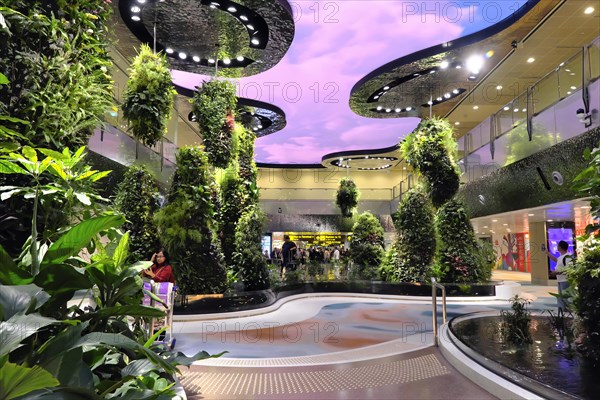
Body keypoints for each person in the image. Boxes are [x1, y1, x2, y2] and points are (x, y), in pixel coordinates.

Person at [546, 240, 573, 311]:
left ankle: (567, 311)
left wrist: (556, 273)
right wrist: (548, 254)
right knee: (561, 296)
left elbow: (568, 270)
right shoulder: (562, 257)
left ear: (560, 247)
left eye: (558, 245)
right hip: (560, 280)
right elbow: (556, 260)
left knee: (565, 296)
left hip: (565, 280)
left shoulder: (567, 257)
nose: (557, 246)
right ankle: (562, 310)